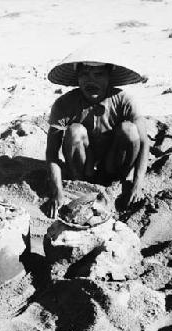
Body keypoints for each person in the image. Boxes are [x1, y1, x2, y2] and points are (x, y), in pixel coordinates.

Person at [45, 55, 149, 218]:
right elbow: (51, 153)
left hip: (113, 166)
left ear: (109, 77)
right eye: (84, 74)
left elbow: (144, 142)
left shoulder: (123, 100)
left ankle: (116, 182)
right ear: (78, 77)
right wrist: (57, 192)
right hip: (83, 169)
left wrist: (137, 183)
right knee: (75, 131)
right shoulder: (64, 104)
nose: (90, 81)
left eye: (98, 74)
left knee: (129, 129)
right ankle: (81, 184)